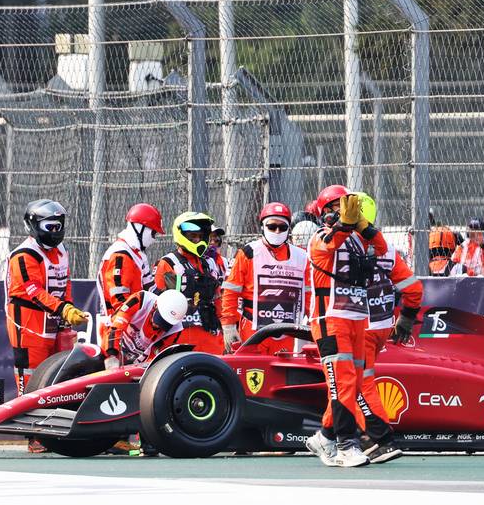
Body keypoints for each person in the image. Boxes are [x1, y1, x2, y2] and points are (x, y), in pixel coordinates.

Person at [303, 185, 389, 468]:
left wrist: (363, 225)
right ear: (326, 211)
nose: (344, 209)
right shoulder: (319, 238)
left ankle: (324, 436)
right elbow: (331, 243)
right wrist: (344, 224)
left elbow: (382, 248)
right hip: (330, 319)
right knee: (343, 383)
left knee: (349, 383)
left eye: (347, 205)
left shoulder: (357, 240)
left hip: (355, 318)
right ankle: (344, 446)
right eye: (338, 206)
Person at [5, 199, 89, 453]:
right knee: (31, 376)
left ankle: (57, 428)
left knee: (59, 376)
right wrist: (63, 308)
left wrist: (69, 307)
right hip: (28, 323)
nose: (56, 232)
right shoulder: (24, 255)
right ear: (33, 225)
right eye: (50, 227)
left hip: (55, 320)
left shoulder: (61, 251)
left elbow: (65, 283)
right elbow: (33, 291)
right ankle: (34, 435)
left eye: (59, 226)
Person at [357, 193, 422, 464]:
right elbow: (414, 288)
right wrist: (406, 317)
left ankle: (381, 439)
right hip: (384, 325)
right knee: (348, 381)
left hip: (358, 325)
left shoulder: (345, 247)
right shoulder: (388, 250)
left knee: (357, 382)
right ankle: (356, 436)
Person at [220, 202, 308, 354]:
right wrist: (228, 325)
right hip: (253, 329)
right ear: (262, 226)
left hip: (288, 331)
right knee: (252, 373)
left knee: (283, 375)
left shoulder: (302, 257)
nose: (277, 231)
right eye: (272, 226)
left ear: (289, 229)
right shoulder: (249, 253)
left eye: (283, 227)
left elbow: (309, 296)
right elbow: (231, 291)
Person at [154, 212, 225, 354]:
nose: (197, 240)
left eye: (200, 236)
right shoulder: (169, 263)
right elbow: (157, 304)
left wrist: (226, 327)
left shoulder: (210, 263)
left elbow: (218, 300)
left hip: (210, 335)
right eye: (192, 237)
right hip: (179, 337)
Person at [96, 203, 164, 346]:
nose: (154, 239)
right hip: (117, 330)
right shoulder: (121, 255)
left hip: (133, 327)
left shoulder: (137, 255)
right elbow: (119, 301)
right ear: (141, 229)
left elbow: (150, 290)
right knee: (126, 370)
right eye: (153, 233)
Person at [102, 288, 189, 368]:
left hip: (135, 360)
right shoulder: (140, 299)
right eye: (159, 319)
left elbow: (157, 356)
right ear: (155, 305)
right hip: (110, 343)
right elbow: (117, 326)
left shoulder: (175, 329)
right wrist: (111, 354)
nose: (158, 325)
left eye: (165, 323)